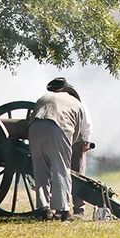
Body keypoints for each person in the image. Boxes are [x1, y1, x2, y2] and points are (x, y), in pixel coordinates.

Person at [27, 77, 89, 221]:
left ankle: (43, 209)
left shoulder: (44, 97)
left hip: (34, 129)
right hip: (58, 129)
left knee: (40, 170)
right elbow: (78, 130)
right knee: (61, 169)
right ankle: (63, 210)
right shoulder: (77, 103)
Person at [58, 80, 92, 216]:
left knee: (77, 175)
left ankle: (79, 209)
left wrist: (87, 140)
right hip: (61, 141)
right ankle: (62, 208)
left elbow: (87, 121)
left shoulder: (77, 101)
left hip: (77, 141)